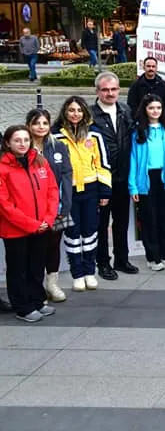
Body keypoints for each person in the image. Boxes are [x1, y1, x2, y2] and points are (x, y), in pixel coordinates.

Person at [0, 125, 58, 322]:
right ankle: (22, 306)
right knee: (19, 269)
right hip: (16, 229)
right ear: (7, 143)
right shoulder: (2, 167)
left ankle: (37, 300)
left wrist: (47, 219)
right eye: (17, 140)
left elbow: (52, 190)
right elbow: (4, 204)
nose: (22, 144)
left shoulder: (40, 162)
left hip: (41, 226)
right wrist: (31, 224)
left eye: (25, 139)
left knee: (36, 266)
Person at [52, 96, 111, 292]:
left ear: (85, 112)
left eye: (79, 110)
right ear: (65, 112)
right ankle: (77, 273)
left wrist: (104, 190)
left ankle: (89, 272)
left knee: (90, 231)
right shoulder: (56, 136)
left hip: (91, 189)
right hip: (68, 193)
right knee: (72, 233)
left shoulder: (94, 135)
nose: (75, 114)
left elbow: (103, 164)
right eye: (71, 110)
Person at [128, 94, 165, 271]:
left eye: (158, 108)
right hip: (146, 180)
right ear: (145, 109)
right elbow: (133, 160)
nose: (155, 111)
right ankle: (153, 258)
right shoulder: (138, 131)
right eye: (151, 108)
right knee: (149, 219)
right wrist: (133, 186)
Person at [91, 71, 137, 280]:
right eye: (105, 90)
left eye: (114, 89)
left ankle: (122, 258)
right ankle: (103, 262)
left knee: (121, 221)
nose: (110, 93)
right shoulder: (89, 115)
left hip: (123, 176)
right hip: (101, 178)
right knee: (102, 224)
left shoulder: (126, 110)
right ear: (97, 91)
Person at [26, 108, 72, 304]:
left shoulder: (59, 146)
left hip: (58, 206)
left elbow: (67, 175)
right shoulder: (22, 147)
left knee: (53, 246)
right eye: (37, 123)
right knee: (35, 248)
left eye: (45, 123)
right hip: (32, 209)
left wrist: (66, 206)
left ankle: (52, 283)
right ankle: (35, 288)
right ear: (29, 125)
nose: (41, 127)